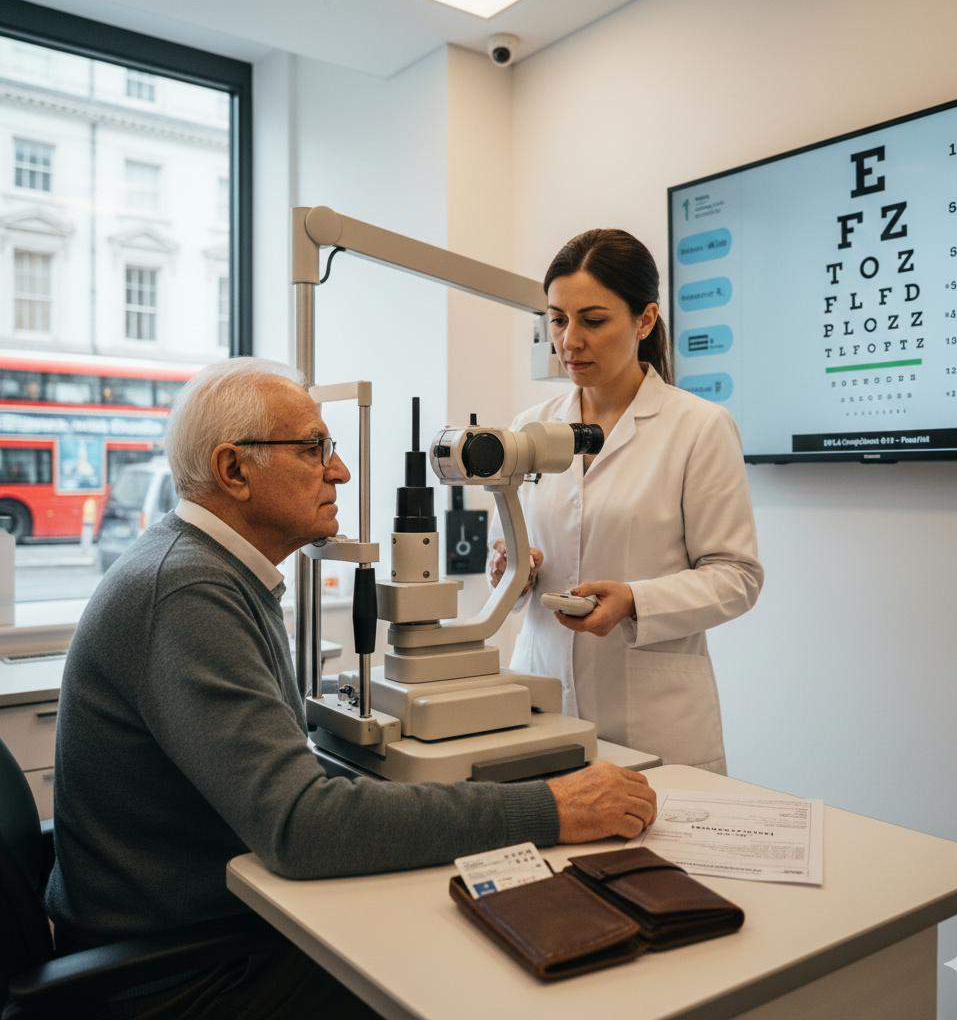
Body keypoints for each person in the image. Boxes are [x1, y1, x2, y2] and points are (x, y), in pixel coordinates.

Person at [36, 358, 656, 1020]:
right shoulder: (189, 594)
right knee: (461, 977)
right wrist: (552, 808)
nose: (340, 472)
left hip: (207, 924)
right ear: (234, 470)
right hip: (182, 977)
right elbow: (302, 825)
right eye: (314, 449)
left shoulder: (207, 571)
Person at [490, 229, 764, 774]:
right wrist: (512, 571)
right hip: (540, 702)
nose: (569, 341)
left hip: (654, 720)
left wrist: (635, 601)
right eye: (557, 320)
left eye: (593, 321)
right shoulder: (529, 428)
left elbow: (737, 576)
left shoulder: (698, 427)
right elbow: (511, 559)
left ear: (645, 320)